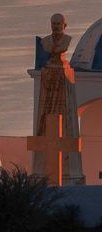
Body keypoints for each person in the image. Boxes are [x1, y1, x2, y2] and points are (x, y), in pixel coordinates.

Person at [33, 13, 84, 184]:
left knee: (66, 128)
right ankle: (43, 173)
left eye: (58, 23)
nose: (55, 26)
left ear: (65, 25)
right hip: (51, 70)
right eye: (53, 23)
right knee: (46, 126)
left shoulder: (67, 41)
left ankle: (66, 172)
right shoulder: (46, 42)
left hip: (60, 71)